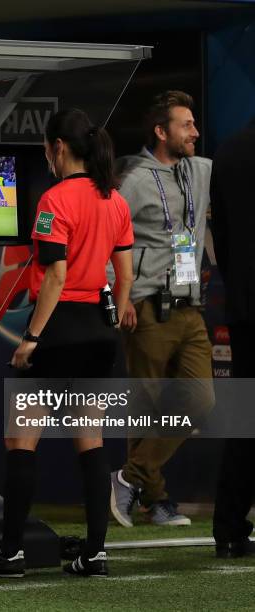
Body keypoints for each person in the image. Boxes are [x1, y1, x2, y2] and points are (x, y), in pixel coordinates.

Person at [0, 108, 134, 579]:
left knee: (21, 440)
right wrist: (112, 316)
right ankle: (95, 553)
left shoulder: (55, 200)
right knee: (90, 440)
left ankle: (10, 553)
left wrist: (32, 337)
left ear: (57, 148)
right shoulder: (114, 199)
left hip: (58, 329)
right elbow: (126, 275)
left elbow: (55, 275)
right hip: (99, 327)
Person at [110, 91, 215, 528]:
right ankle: (155, 500)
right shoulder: (132, 178)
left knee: (200, 401)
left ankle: (128, 478)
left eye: (193, 123)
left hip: (191, 307)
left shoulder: (200, 169)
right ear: (160, 131)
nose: (194, 132)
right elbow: (110, 238)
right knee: (146, 407)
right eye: (185, 125)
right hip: (148, 306)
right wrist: (122, 294)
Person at [210, 119, 255, 558]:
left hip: (244, 307)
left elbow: (220, 235)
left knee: (248, 422)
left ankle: (228, 526)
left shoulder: (229, 151)